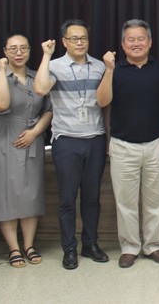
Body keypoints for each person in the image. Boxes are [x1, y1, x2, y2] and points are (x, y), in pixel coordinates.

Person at [97, 19, 159, 268]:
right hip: (123, 145)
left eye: (141, 38)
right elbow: (102, 102)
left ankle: (153, 245)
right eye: (130, 39)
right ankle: (130, 247)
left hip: (156, 143)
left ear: (150, 42)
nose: (136, 43)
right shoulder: (114, 69)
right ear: (123, 44)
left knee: (157, 199)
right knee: (126, 202)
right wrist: (109, 70)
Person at [34, 19, 109, 270]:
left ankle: (90, 244)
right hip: (66, 140)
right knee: (67, 199)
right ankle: (69, 249)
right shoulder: (54, 66)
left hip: (95, 138)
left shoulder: (99, 66)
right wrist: (46, 55)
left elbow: (106, 103)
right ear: (64, 41)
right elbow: (40, 88)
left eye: (83, 38)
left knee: (92, 197)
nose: (80, 43)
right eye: (74, 38)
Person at [0, 32, 53, 268]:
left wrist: (35, 133)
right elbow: (1, 104)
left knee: (31, 193)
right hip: (5, 138)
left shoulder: (37, 76)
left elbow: (48, 110)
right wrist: (3, 71)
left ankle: (29, 245)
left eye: (23, 48)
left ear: (30, 51)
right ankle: (13, 247)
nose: (18, 53)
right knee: (6, 193)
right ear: (5, 51)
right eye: (13, 48)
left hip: (33, 138)